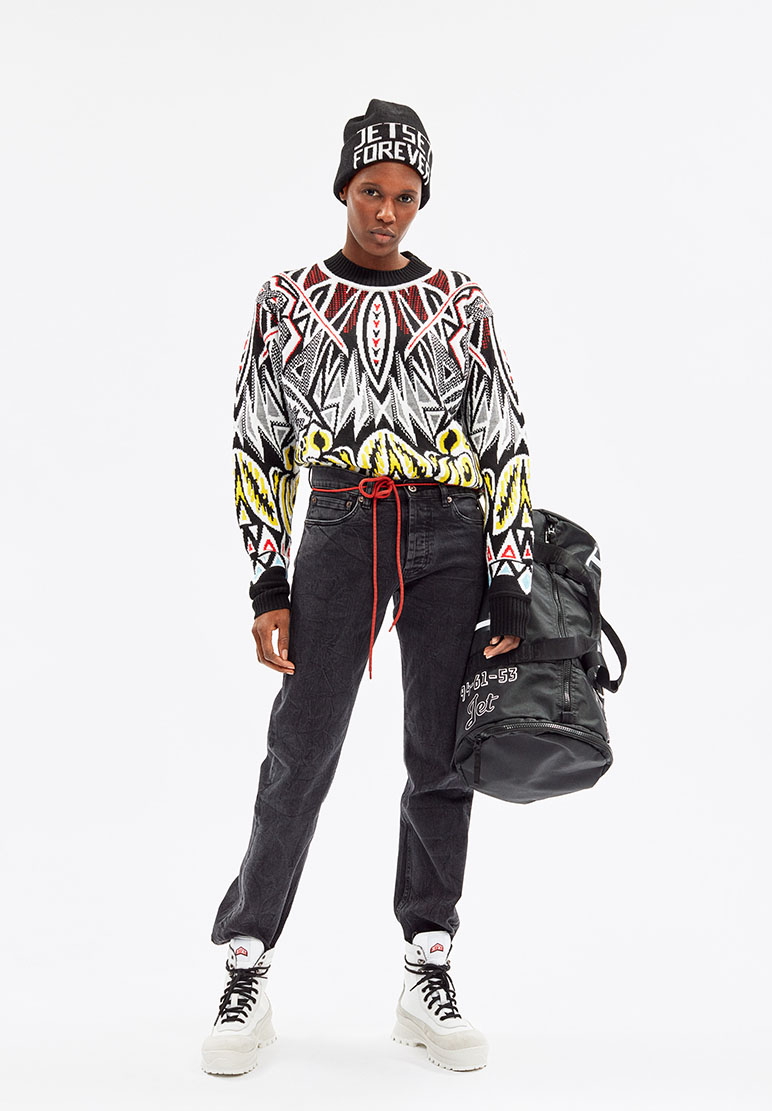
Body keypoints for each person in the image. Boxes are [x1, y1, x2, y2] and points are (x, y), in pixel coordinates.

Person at [201, 98, 535, 1077]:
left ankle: (427, 964)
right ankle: (246, 961)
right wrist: (267, 580)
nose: (387, 211)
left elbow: (502, 433)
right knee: (299, 749)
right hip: (342, 525)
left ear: (421, 199)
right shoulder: (287, 299)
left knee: (440, 750)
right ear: (343, 187)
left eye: (405, 195)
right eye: (370, 191)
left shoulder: (461, 301)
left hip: (451, 532)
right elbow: (257, 440)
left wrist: (509, 574)